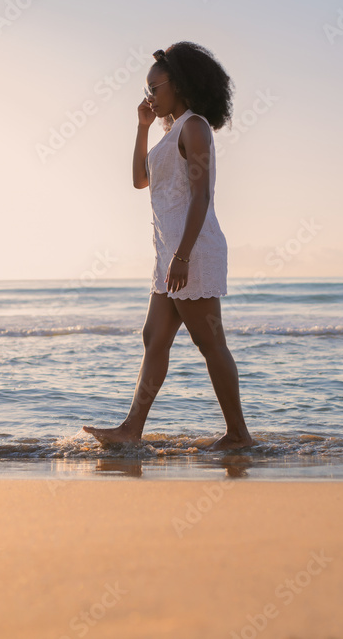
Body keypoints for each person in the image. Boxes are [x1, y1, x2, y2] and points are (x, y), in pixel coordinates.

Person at [83, 42, 255, 452]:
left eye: (154, 88)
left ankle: (238, 435)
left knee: (210, 343)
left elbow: (201, 196)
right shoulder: (169, 133)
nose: (149, 96)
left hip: (190, 252)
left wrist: (182, 255)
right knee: (154, 338)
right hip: (168, 255)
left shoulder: (194, 127)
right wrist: (142, 126)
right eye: (147, 90)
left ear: (179, 85)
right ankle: (131, 429)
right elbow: (139, 180)